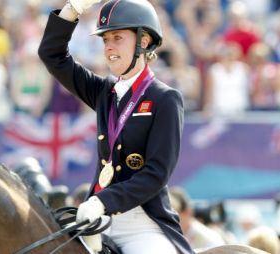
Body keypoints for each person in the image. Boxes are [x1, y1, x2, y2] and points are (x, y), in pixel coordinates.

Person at [38, 0, 193, 253]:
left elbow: (156, 173)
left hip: (142, 226)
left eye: (117, 38)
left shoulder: (166, 99)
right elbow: (52, 55)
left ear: (143, 42)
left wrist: (103, 201)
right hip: (96, 219)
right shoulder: (104, 92)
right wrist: (72, 10)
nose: (108, 47)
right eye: (105, 40)